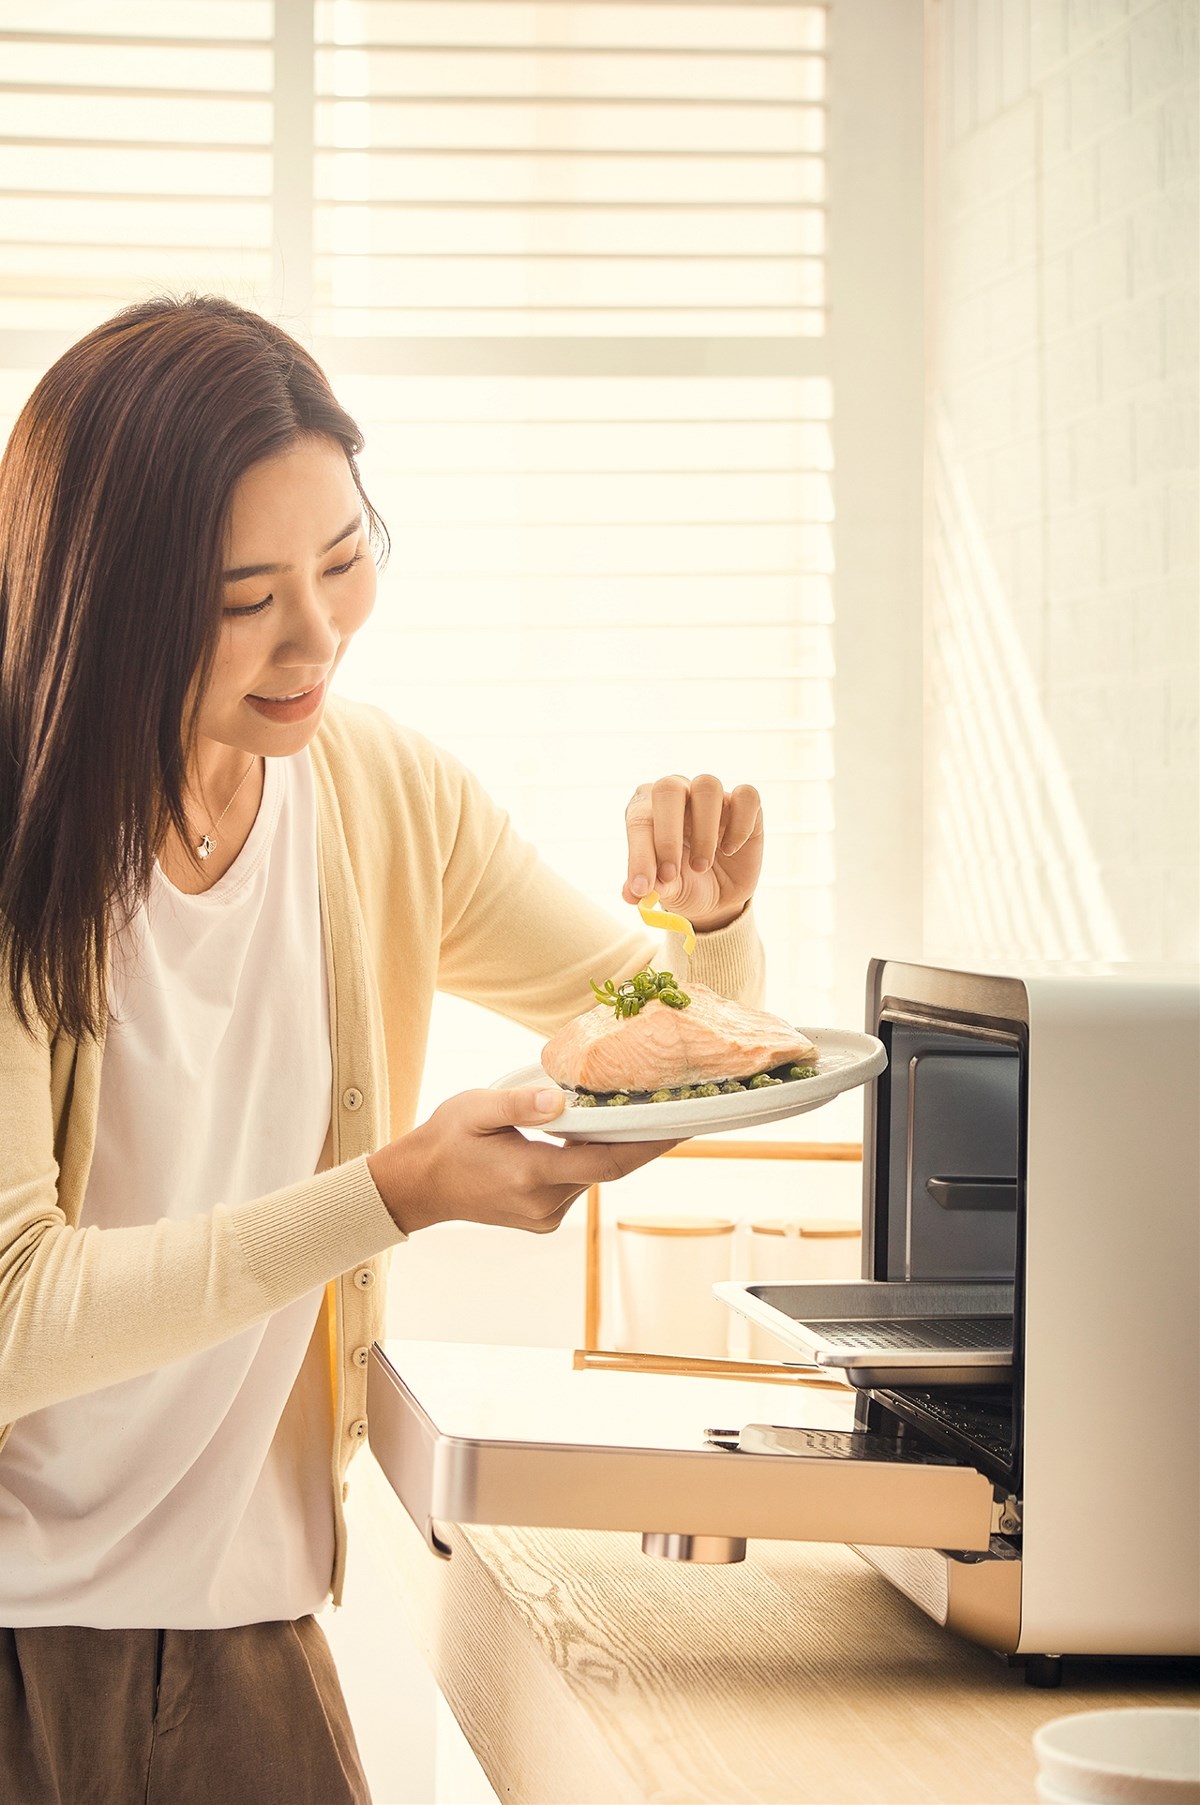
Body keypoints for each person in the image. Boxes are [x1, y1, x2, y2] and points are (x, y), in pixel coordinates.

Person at [0, 294, 767, 1804]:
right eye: (242, 598)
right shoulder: (25, 837)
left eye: (344, 560)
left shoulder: (380, 795)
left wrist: (714, 924)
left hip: (248, 1639)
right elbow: (13, 1307)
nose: (317, 635)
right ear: (113, 595)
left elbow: (683, 1043)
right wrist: (392, 1192)